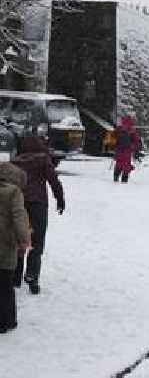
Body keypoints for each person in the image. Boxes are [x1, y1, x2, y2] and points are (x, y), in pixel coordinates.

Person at [12, 136, 65, 295]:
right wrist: (60, 199)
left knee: (19, 239)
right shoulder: (43, 160)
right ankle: (32, 276)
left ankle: (15, 276)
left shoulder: (15, 161)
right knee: (37, 241)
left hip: (19, 204)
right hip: (38, 204)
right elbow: (54, 181)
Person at [0, 162, 30, 333]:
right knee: (5, 284)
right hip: (5, 243)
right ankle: (6, 321)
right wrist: (24, 240)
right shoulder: (14, 192)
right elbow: (19, 217)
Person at [113, 115, 141, 183]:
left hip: (119, 149)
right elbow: (136, 141)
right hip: (127, 150)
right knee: (126, 164)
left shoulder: (119, 129)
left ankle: (116, 176)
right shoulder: (132, 130)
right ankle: (124, 179)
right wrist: (135, 148)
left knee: (118, 163)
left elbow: (114, 137)